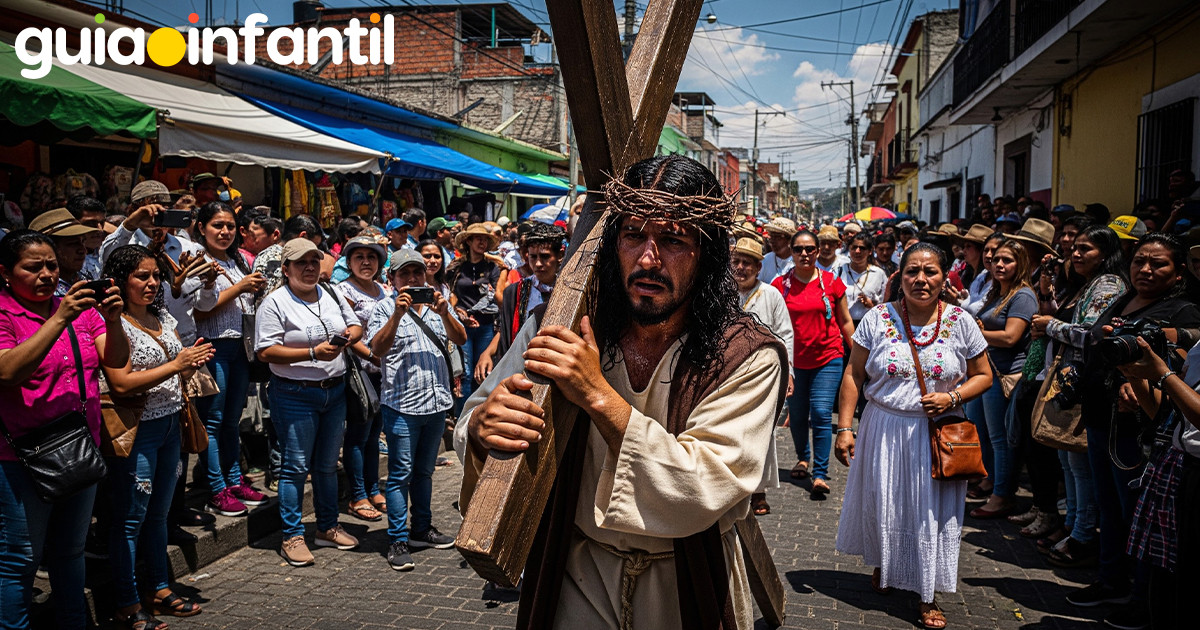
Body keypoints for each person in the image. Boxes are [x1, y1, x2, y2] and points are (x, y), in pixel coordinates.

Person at [455, 154, 786, 628]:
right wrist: (486, 430)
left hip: (687, 580)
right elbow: (472, 421)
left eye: (672, 239)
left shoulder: (746, 354)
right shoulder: (561, 323)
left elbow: (701, 484)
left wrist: (597, 394)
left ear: (707, 252)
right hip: (575, 572)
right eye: (633, 235)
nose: (648, 258)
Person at [834, 242, 993, 629]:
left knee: (929, 513)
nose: (921, 279)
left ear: (944, 277)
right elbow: (854, 375)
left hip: (936, 434)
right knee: (885, 501)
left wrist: (952, 396)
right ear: (899, 276)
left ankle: (927, 594)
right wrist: (844, 427)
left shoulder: (960, 321)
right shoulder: (877, 318)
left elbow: (985, 375)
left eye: (931, 271)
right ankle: (886, 565)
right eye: (912, 272)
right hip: (883, 428)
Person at [1067, 234, 1200, 628]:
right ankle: (1110, 580)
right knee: (1107, 507)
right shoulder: (1121, 299)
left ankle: (1141, 597)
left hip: (1141, 427)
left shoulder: (1184, 312)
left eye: (1158, 263)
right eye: (1139, 260)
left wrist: (1145, 379)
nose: (1145, 269)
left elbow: (1176, 369)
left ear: (1178, 273)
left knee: (1139, 515)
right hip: (1099, 417)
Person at [0, 230, 129, 630]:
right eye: (32, 267)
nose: (45, 275)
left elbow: (116, 359)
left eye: (51, 266)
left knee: (70, 551)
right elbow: (7, 372)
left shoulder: (78, 306)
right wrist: (58, 319)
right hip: (22, 455)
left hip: (78, 447)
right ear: (5, 272)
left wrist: (113, 320)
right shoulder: (6, 313)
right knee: (20, 557)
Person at [101, 244, 214, 629]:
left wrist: (190, 360)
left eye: (155, 276)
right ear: (120, 280)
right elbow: (119, 382)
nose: (151, 283)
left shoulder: (161, 314)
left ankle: (159, 588)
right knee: (130, 519)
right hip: (137, 431)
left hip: (170, 424)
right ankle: (128, 603)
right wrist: (176, 364)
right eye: (141, 276)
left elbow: (176, 364)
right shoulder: (112, 323)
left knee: (159, 516)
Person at [255, 238, 363, 567]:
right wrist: (313, 352)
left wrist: (346, 339)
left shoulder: (330, 293)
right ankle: (292, 535)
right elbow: (265, 351)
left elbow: (356, 325)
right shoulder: (274, 303)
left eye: (314, 261)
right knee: (296, 467)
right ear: (285, 269)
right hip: (294, 394)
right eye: (301, 262)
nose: (309, 268)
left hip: (334, 391)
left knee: (328, 465)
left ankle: (327, 527)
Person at [1029, 225, 1127, 566]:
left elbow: (1093, 335)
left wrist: (1049, 326)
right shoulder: (1088, 284)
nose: (1076, 252)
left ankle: (1083, 534)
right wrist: (1047, 292)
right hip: (1069, 380)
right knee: (1067, 460)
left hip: (1086, 382)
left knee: (1080, 464)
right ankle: (1072, 524)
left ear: (1106, 253)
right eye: (1075, 247)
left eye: (1086, 248)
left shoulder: (1110, 284)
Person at [365, 249, 466, 570]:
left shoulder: (439, 307)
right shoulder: (383, 309)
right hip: (401, 406)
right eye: (404, 274)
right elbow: (376, 350)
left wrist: (446, 311)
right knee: (399, 476)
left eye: (417, 273)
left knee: (424, 472)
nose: (412, 279)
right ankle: (397, 538)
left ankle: (421, 528)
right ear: (391, 279)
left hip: (436, 404)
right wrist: (396, 315)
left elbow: (460, 338)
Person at [193, 202, 267, 517]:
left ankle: (233, 480)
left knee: (231, 420)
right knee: (212, 420)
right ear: (201, 228)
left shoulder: (237, 260)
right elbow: (200, 310)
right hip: (212, 345)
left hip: (240, 347)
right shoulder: (197, 262)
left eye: (230, 226)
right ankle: (216, 488)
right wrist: (240, 288)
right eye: (217, 226)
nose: (225, 232)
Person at [774, 229, 855, 495]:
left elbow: (844, 321)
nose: (805, 254)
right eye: (799, 249)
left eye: (810, 249)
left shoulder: (832, 282)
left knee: (820, 413)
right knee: (796, 415)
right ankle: (803, 458)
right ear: (792, 252)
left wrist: (858, 355)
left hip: (828, 357)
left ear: (818, 251)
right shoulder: (779, 285)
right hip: (793, 363)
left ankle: (820, 474)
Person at [969, 239, 1038, 519]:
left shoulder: (1023, 295)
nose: (999, 264)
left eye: (1007, 260)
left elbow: (1011, 337)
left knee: (1001, 438)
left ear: (1020, 264)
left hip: (1006, 374)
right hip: (988, 370)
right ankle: (992, 482)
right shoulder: (999, 292)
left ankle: (1002, 496)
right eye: (996, 259)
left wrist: (974, 333)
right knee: (983, 432)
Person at [730, 237, 793, 517]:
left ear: (758, 267)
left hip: (762, 373)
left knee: (761, 432)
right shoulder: (721, 292)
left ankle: (758, 490)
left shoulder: (771, 295)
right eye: (736, 261)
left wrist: (787, 371)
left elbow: (785, 334)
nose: (741, 267)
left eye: (747, 263)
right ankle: (731, 485)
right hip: (726, 374)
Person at [335, 236, 390, 522]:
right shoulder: (342, 290)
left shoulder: (384, 290)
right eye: (359, 257)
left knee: (373, 434)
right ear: (348, 262)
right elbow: (346, 333)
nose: (366, 262)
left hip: (384, 372)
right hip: (359, 370)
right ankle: (357, 495)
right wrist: (371, 355)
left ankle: (372, 487)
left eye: (372, 256)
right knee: (357, 434)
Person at [476, 223, 565, 381]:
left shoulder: (570, 291)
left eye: (545, 256)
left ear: (560, 255)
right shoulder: (515, 293)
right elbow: (506, 332)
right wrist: (488, 353)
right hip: (522, 372)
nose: (538, 263)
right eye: (533, 257)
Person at [448, 223, 501, 406]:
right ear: (468, 241)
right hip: (462, 325)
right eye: (478, 238)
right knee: (464, 372)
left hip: (485, 325)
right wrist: (456, 311)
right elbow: (450, 293)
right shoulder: (456, 267)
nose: (482, 242)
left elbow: (494, 292)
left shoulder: (492, 267)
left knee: (482, 371)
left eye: (485, 239)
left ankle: (479, 410)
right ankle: (462, 414)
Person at [29, 207, 101, 296]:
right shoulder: (43, 290)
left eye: (83, 242)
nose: (83, 250)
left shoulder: (83, 278)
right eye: (73, 243)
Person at [836, 232, 888, 326]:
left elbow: (885, 304)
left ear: (870, 251)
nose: (857, 251)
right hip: (842, 326)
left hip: (869, 325)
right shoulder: (838, 271)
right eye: (854, 247)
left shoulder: (878, 274)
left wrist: (871, 305)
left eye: (862, 248)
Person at [759, 217, 797, 283]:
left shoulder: (798, 262)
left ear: (789, 240)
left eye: (777, 237)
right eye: (771, 236)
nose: (772, 241)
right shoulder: (765, 261)